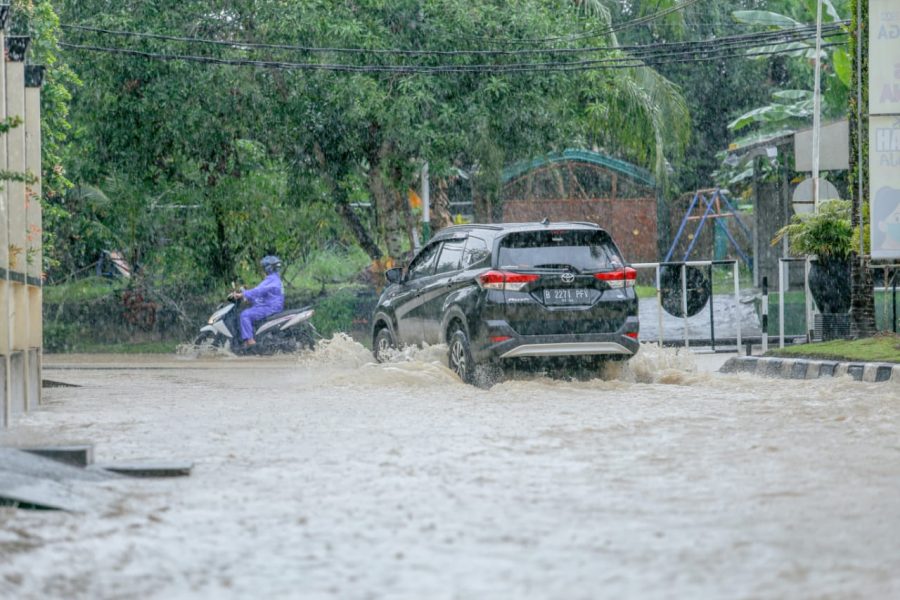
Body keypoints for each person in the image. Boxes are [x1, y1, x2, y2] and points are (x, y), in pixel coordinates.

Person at [232, 255, 285, 348]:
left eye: (264, 267)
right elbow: (261, 294)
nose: (263, 269)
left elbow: (258, 291)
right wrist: (249, 297)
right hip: (270, 305)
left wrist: (242, 294)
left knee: (245, 315)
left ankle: (250, 342)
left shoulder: (271, 279)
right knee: (249, 312)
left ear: (268, 268)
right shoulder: (275, 278)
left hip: (270, 307)